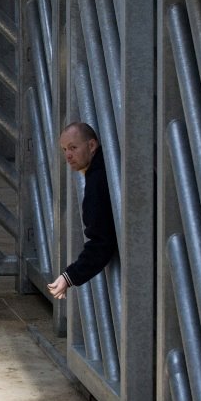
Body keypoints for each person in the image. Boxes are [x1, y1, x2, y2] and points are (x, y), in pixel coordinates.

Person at [47, 122, 118, 300]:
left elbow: (101, 242)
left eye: (73, 148)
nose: (68, 156)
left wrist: (68, 277)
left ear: (92, 145)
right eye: (64, 150)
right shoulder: (108, 166)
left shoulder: (97, 180)